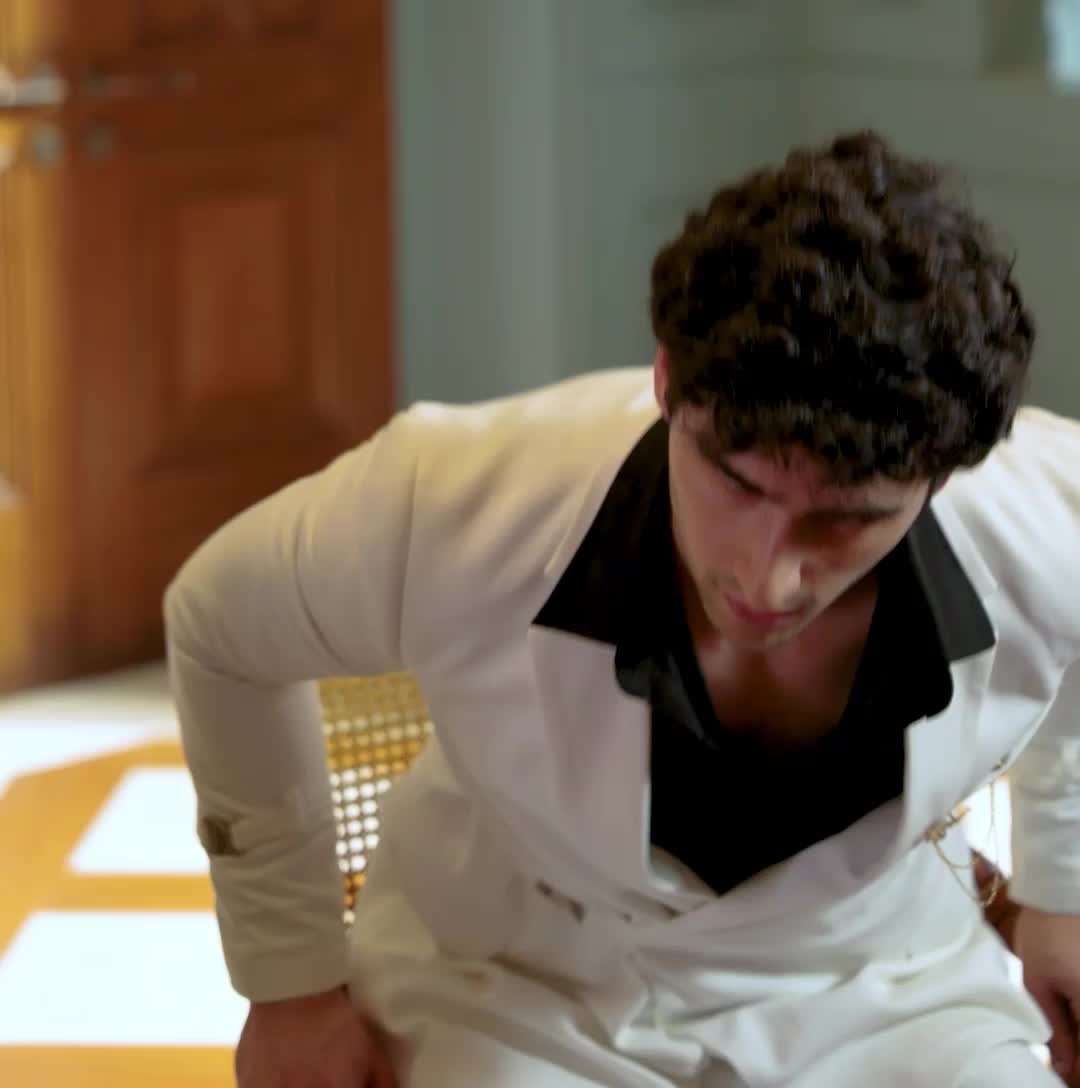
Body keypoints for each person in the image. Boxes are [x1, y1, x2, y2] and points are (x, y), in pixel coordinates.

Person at [165, 131, 1080, 1088]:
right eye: (735, 482)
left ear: (942, 475)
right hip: (514, 981)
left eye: (846, 520)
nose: (769, 580)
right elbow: (220, 625)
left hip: (879, 983)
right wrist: (291, 987)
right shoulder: (450, 496)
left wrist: (1062, 888)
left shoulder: (1048, 518)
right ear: (665, 381)